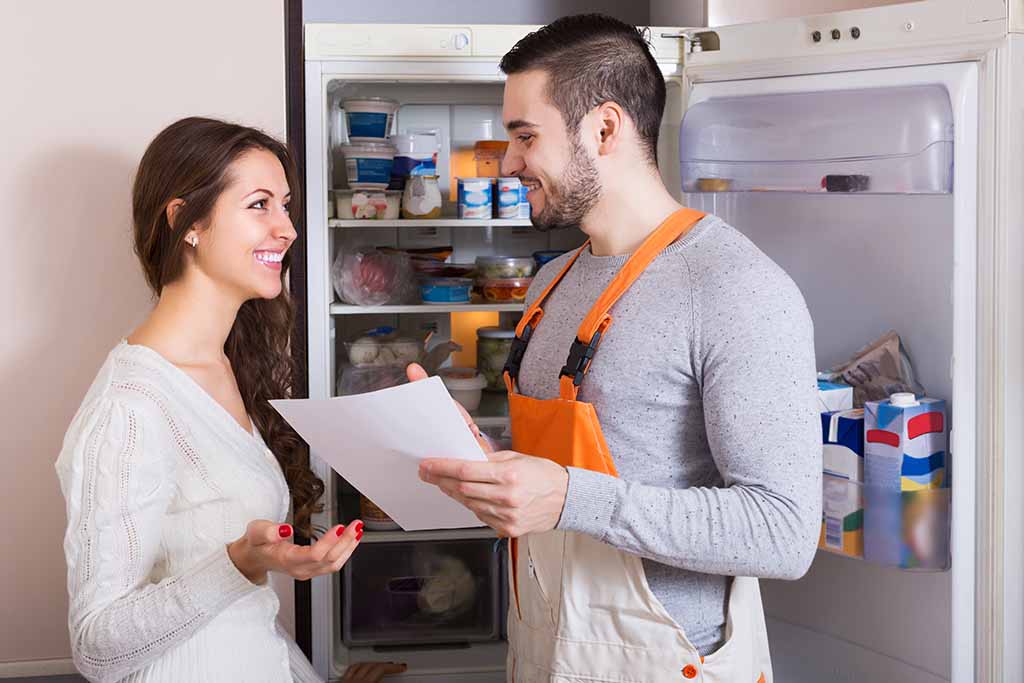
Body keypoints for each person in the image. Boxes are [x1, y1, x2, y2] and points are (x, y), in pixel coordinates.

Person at [413, 14, 821, 682]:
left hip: (660, 660)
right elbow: (560, 481)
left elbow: (783, 530)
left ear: (605, 128)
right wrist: (484, 469)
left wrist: (571, 496)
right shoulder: (552, 280)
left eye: (524, 136)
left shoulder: (734, 286)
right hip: (545, 646)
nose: (509, 161)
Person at [55, 117, 362, 683]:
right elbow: (97, 648)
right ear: (186, 221)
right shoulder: (131, 406)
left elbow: (249, 619)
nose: (287, 229)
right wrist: (241, 561)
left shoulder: (227, 364)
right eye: (260, 205)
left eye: (285, 206)